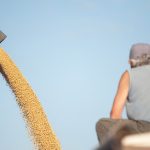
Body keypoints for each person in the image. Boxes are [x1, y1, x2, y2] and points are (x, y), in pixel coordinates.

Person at [96, 43, 150, 147]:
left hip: (142, 129)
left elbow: (114, 114)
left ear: (131, 62)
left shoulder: (129, 75)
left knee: (102, 125)